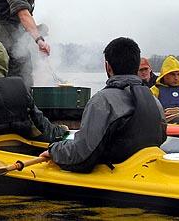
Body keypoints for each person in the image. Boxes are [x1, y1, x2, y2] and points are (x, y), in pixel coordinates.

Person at [40, 37, 167, 173]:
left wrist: (54, 150)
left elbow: (81, 154)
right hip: (146, 172)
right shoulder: (154, 101)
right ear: (136, 67)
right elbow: (162, 137)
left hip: (114, 176)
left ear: (108, 66)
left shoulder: (102, 102)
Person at [150, 55, 179, 123]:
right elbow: (148, 114)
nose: (176, 78)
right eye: (172, 74)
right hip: (164, 131)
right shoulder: (154, 91)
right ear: (164, 74)